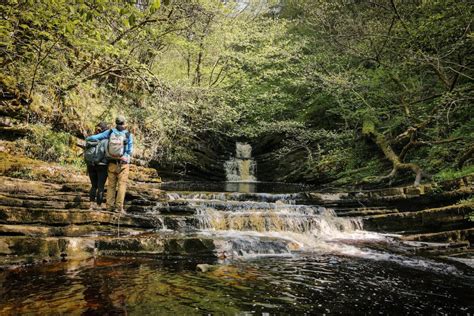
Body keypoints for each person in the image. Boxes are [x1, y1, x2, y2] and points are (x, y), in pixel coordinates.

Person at [86, 116, 134, 213]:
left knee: (111, 186)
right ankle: (119, 208)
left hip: (111, 163)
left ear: (116, 123)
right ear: (124, 123)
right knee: (121, 185)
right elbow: (130, 151)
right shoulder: (128, 134)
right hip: (123, 164)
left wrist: (88, 138)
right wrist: (126, 155)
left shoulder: (110, 132)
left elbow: (95, 137)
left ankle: (109, 207)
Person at [85, 122, 109, 210]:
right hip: (102, 165)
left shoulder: (90, 139)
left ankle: (91, 205)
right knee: (100, 186)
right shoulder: (106, 140)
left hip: (91, 165)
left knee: (93, 186)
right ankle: (99, 205)